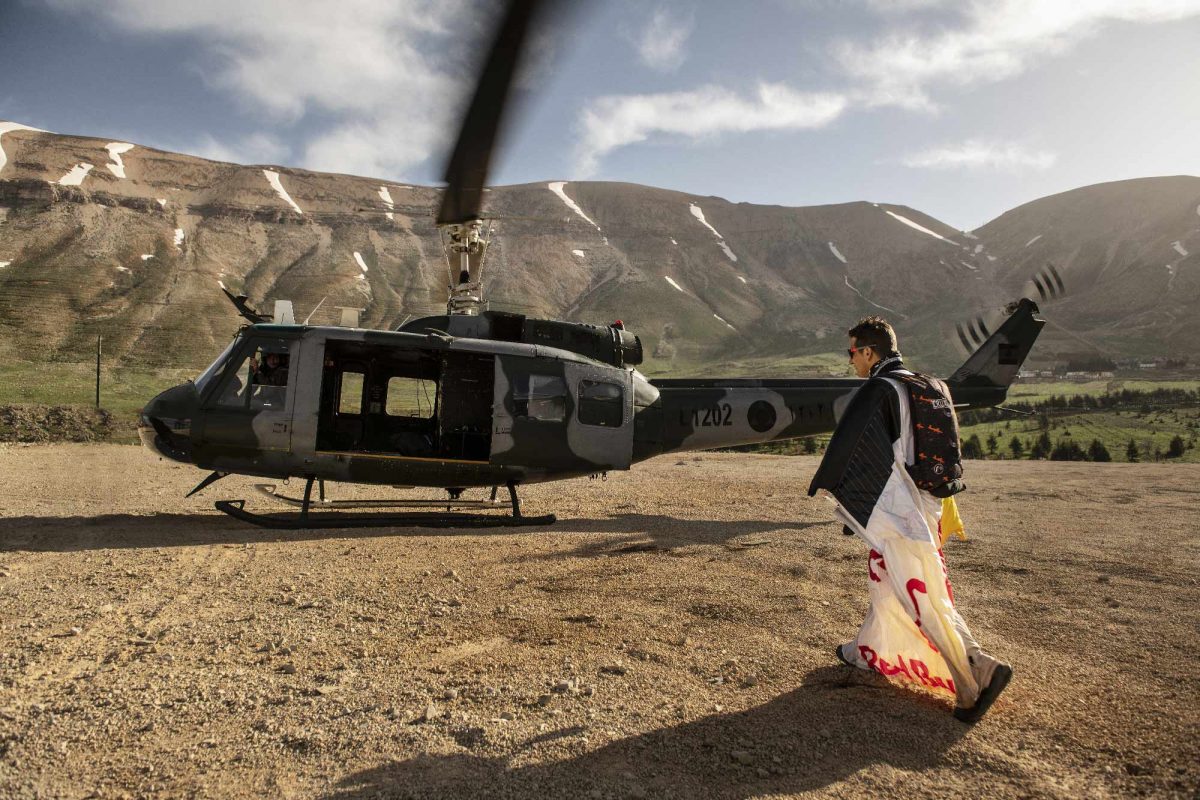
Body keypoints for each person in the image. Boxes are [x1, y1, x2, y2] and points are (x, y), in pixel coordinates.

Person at [808, 316, 1012, 723]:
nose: (851, 361)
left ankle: (976, 670)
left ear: (869, 352)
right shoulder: (931, 385)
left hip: (900, 512)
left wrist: (847, 500)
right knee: (885, 582)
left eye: (852, 352)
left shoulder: (879, 390)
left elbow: (859, 452)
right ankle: (867, 651)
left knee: (921, 593)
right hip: (931, 502)